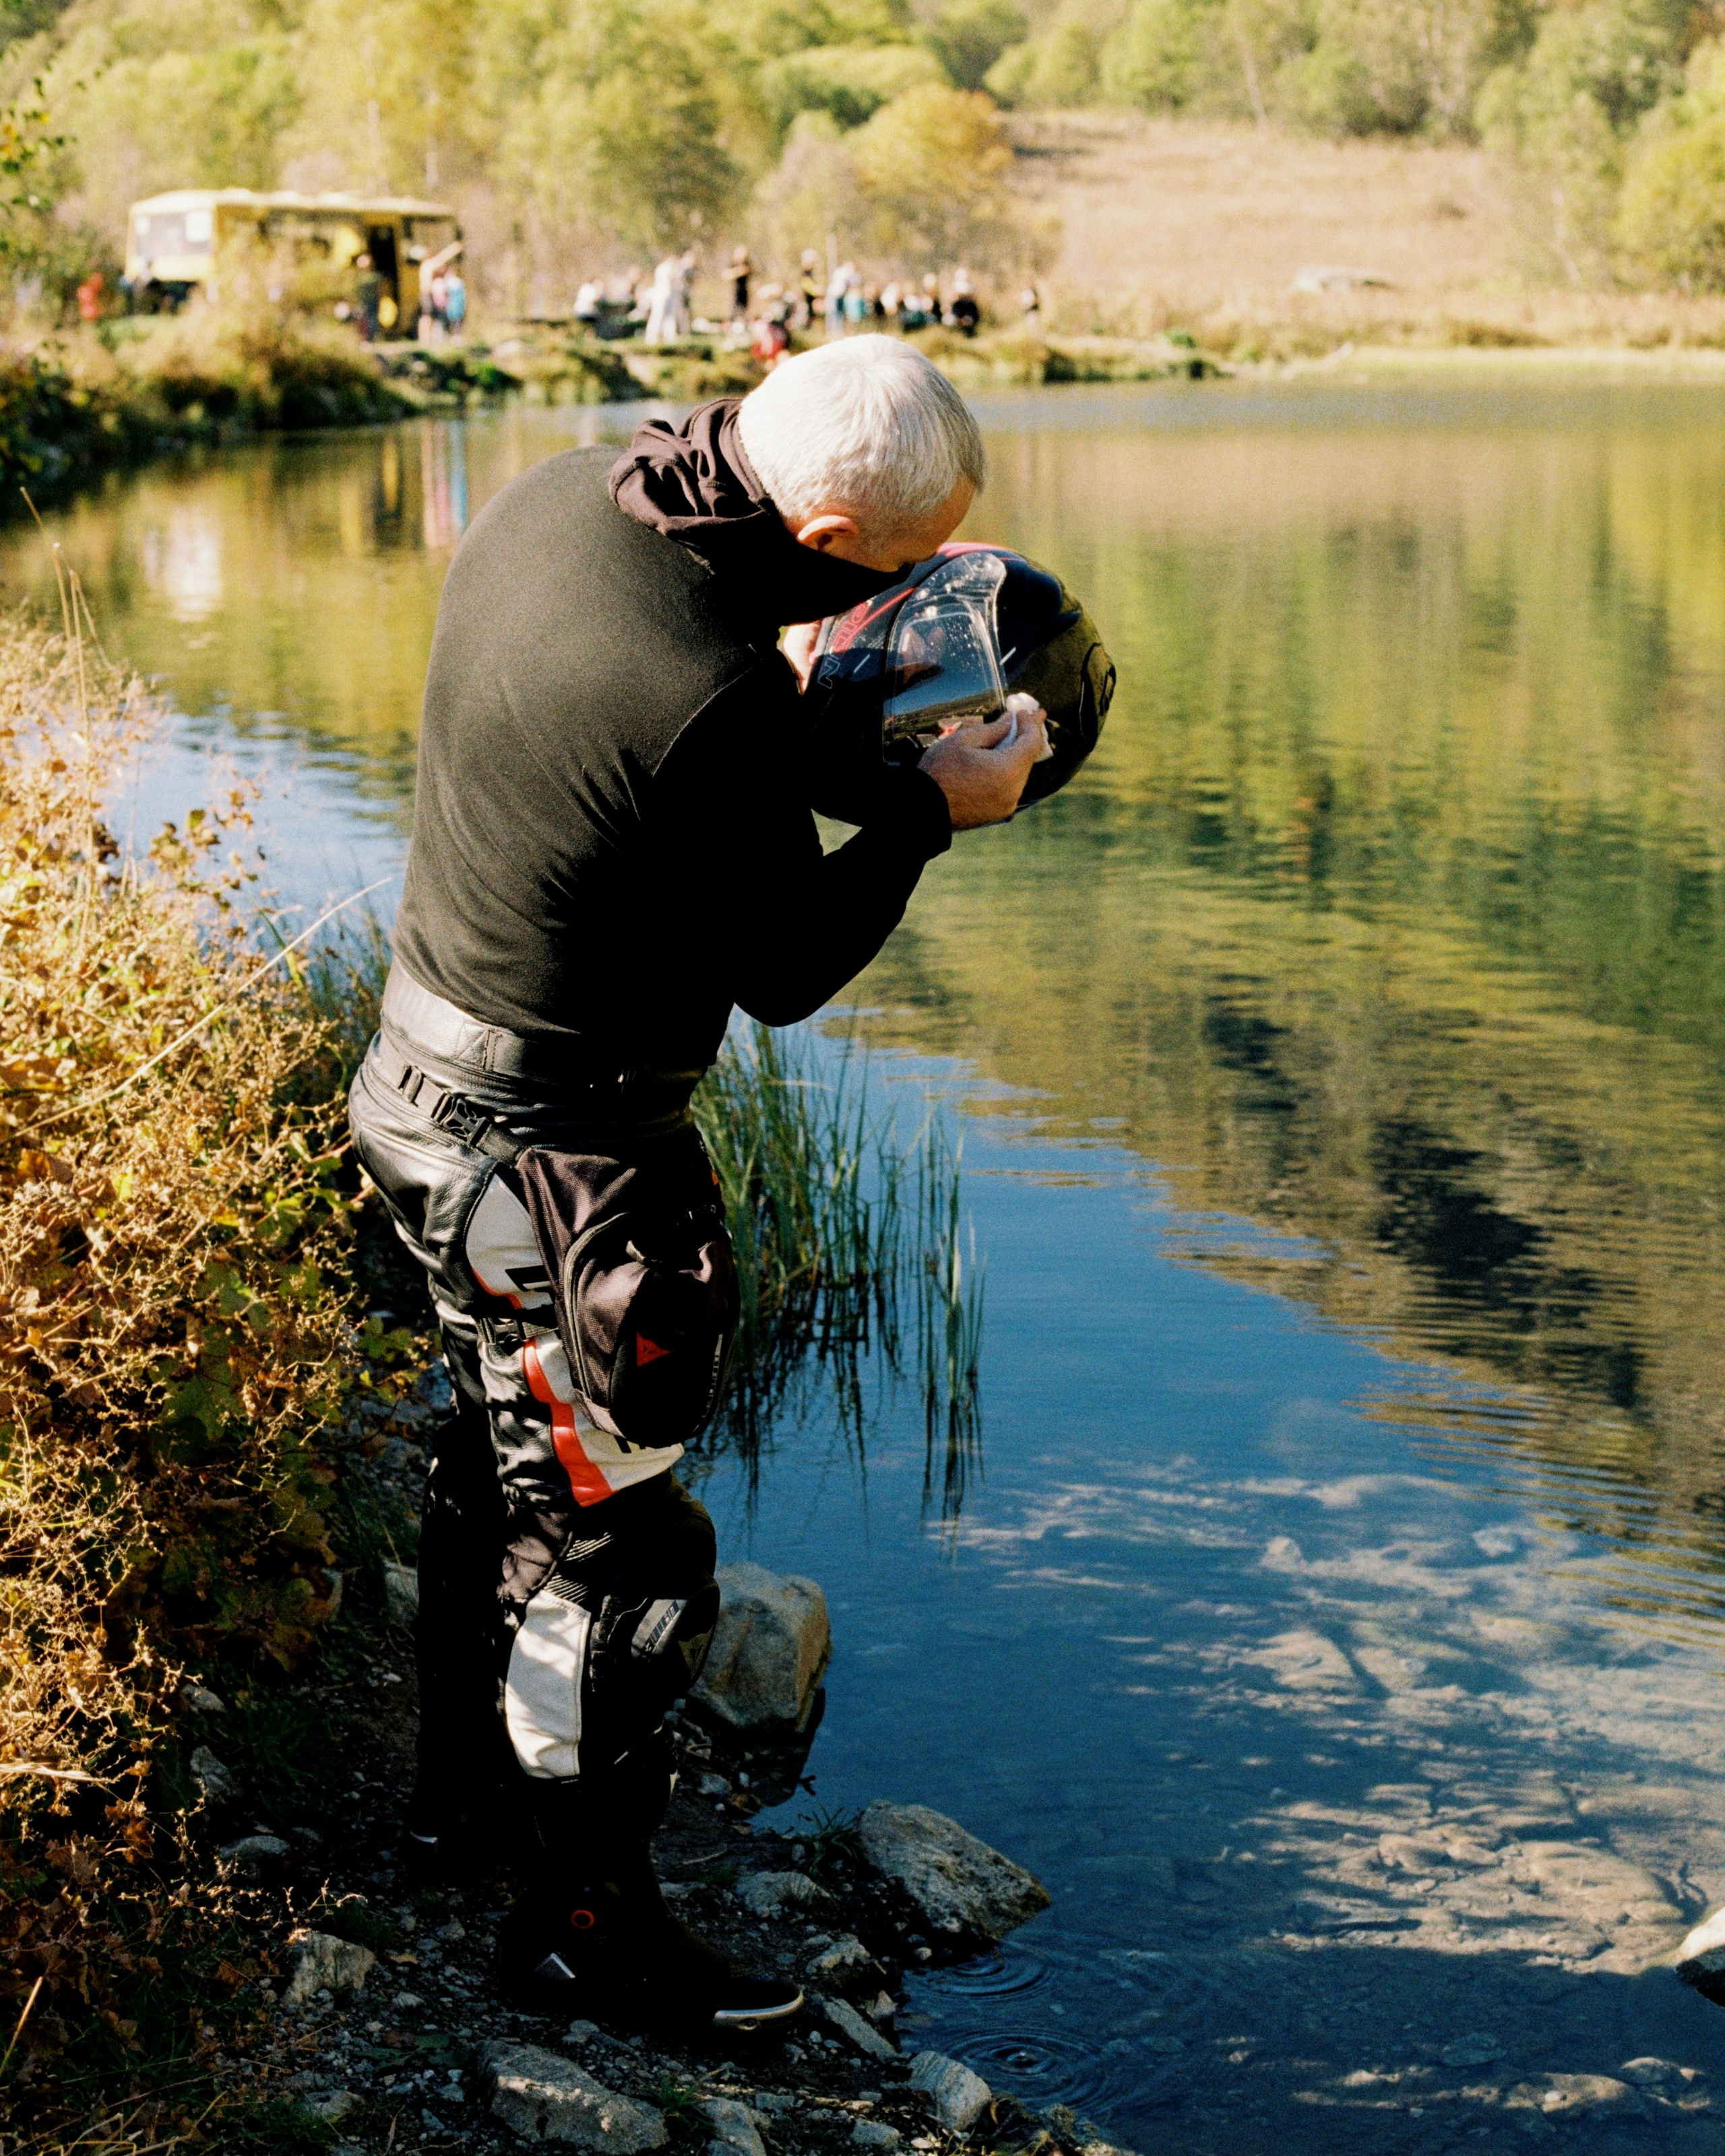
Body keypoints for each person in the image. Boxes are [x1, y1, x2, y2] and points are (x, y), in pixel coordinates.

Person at [346, 336, 1046, 2035]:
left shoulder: (560, 499)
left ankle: (460, 1814)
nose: (899, 600)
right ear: (810, 527)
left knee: (487, 1476)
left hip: (415, 1093)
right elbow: (786, 959)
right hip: (553, 1165)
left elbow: (688, 769)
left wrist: (855, 742)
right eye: (891, 573)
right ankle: (587, 1931)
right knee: (612, 1565)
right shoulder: (705, 693)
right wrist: (933, 814)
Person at [353, 253, 381, 342]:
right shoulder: (373, 277)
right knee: (368, 321)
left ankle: (366, 339)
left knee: (367, 321)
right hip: (366, 303)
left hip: (368, 302)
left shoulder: (359, 278)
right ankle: (368, 339)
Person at [949, 269, 980, 338]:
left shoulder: (971, 305)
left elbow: (975, 317)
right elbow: (955, 315)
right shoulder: (956, 304)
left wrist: (965, 321)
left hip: (968, 323)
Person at [797, 249, 821, 331]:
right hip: (805, 298)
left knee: (811, 315)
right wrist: (815, 290)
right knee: (806, 315)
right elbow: (805, 284)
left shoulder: (811, 272)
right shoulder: (804, 272)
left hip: (810, 298)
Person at [444, 267, 466, 338]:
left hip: (457, 302)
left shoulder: (459, 282)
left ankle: (457, 335)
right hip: (452, 303)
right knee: (454, 319)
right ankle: (454, 335)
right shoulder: (448, 283)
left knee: (458, 319)